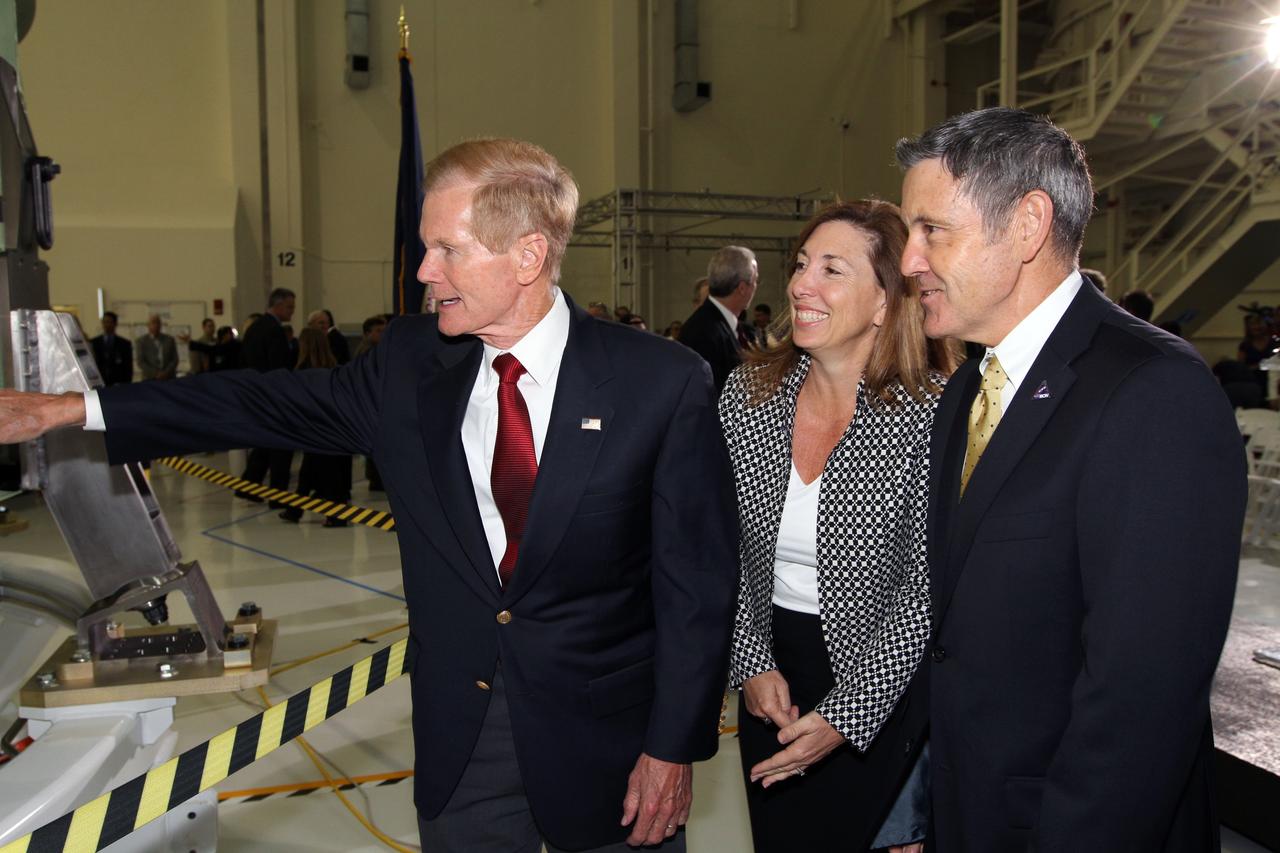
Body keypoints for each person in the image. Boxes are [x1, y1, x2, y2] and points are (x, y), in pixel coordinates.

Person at [0, 137, 737, 853]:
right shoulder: (411, 367)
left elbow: (696, 587)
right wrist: (70, 410)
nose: (424, 271)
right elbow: (255, 402)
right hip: (463, 741)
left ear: (527, 256)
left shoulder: (658, 382)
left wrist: (673, 746)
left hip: (612, 743)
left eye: (447, 249)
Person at [896, 106, 1245, 851]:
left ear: (1027, 225)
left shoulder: (1153, 391)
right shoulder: (969, 388)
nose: (909, 261)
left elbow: (1142, 698)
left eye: (932, 231)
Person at [722, 200, 958, 853]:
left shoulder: (931, 413)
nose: (802, 285)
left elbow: (926, 589)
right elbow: (720, 549)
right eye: (801, 265)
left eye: (832, 269)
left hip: (885, 686)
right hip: (772, 679)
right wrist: (751, 663)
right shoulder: (748, 396)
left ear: (885, 301)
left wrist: (850, 714)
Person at [278, 328, 351, 528]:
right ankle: (295, 511)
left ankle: (336, 516)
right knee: (312, 471)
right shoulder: (335, 370)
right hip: (333, 428)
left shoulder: (302, 372)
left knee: (326, 474)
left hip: (313, 429)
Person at [238, 288, 296, 506]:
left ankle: (249, 484)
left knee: (264, 442)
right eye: (290, 307)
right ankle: (278, 495)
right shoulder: (274, 330)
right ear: (278, 305)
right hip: (273, 396)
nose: (292, 311)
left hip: (255, 393)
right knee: (281, 445)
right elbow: (278, 367)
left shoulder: (254, 328)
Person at [678, 245, 759, 393]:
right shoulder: (703, 332)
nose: (755, 287)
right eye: (755, 281)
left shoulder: (720, 325)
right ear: (742, 288)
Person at [90, 311, 133, 386]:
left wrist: (126, 384)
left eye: (109, 322)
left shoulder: (124, 344)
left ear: (115, 324)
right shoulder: (94, 342)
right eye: (105, 322)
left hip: (118, 382)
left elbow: (128, 367)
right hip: (99, 382)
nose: (107, 325)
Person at [136, 314, 178, 381]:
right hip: (149, 379)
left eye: (158, 323)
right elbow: (141, 362)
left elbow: (175, 359)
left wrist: (165, 373)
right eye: (153, 322)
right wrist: (156, 373)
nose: (156, 325)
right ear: (148, 325)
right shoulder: (141, 341)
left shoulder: (169, 340)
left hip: (168, 378)